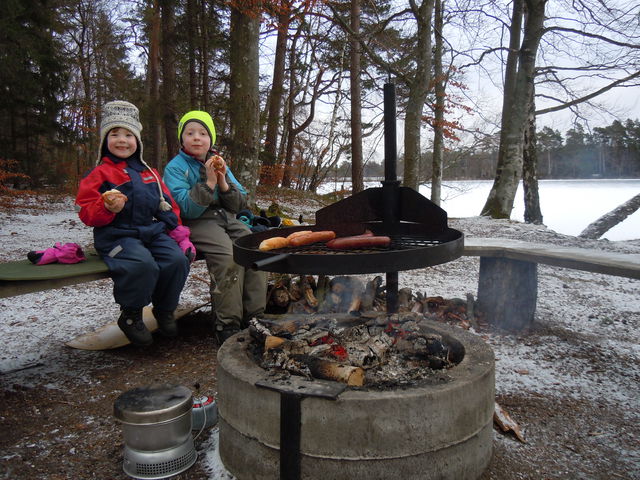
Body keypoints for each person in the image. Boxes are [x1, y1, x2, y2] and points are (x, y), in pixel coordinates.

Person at [76, 100, 195, 346]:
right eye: (115, 134)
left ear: (137, 140)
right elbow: (86, 212)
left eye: (128, 134)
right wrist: (106, 207)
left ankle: (164, 309)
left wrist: (178, 233)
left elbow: (167, 205)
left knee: (175, 260)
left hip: (150, 231)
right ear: (104, 140)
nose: (122, 140)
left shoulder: (149, 172)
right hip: (116, 236)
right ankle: (131, 314)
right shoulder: (99, 174)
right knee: (143, 264)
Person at [163, 110, 267, 344]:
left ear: (211, 139)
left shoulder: (218, 161)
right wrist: (209, 182)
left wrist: (222, 181)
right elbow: (186, 208)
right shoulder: (176, 168)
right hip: (197, 222)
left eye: (202, 133)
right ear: (182, 139)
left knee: (255, 250)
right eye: (190, 133)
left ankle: (255, 317)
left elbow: (241, 203)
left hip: (227, 218)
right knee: (228, 256)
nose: (197, 138)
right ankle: (227, 324)